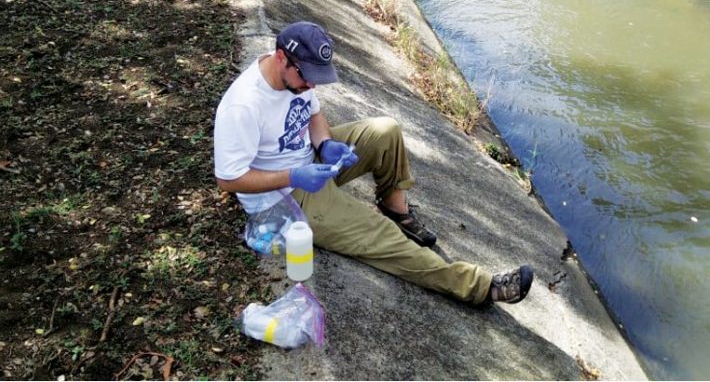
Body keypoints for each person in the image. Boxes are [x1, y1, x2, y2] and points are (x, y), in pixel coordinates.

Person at [214, 20, 533, 305]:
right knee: (379, 234)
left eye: (316, 78)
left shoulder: (295, 78)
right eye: (307, 77)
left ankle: (397, 210)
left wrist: (325, 144)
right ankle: (479, 287)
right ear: (281, 57)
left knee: (386, 131)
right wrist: (295, 176)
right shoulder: (244, 105)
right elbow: (229, 180)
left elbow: (312, 114)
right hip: (284, 196)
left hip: (308, 161)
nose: (312, 85)